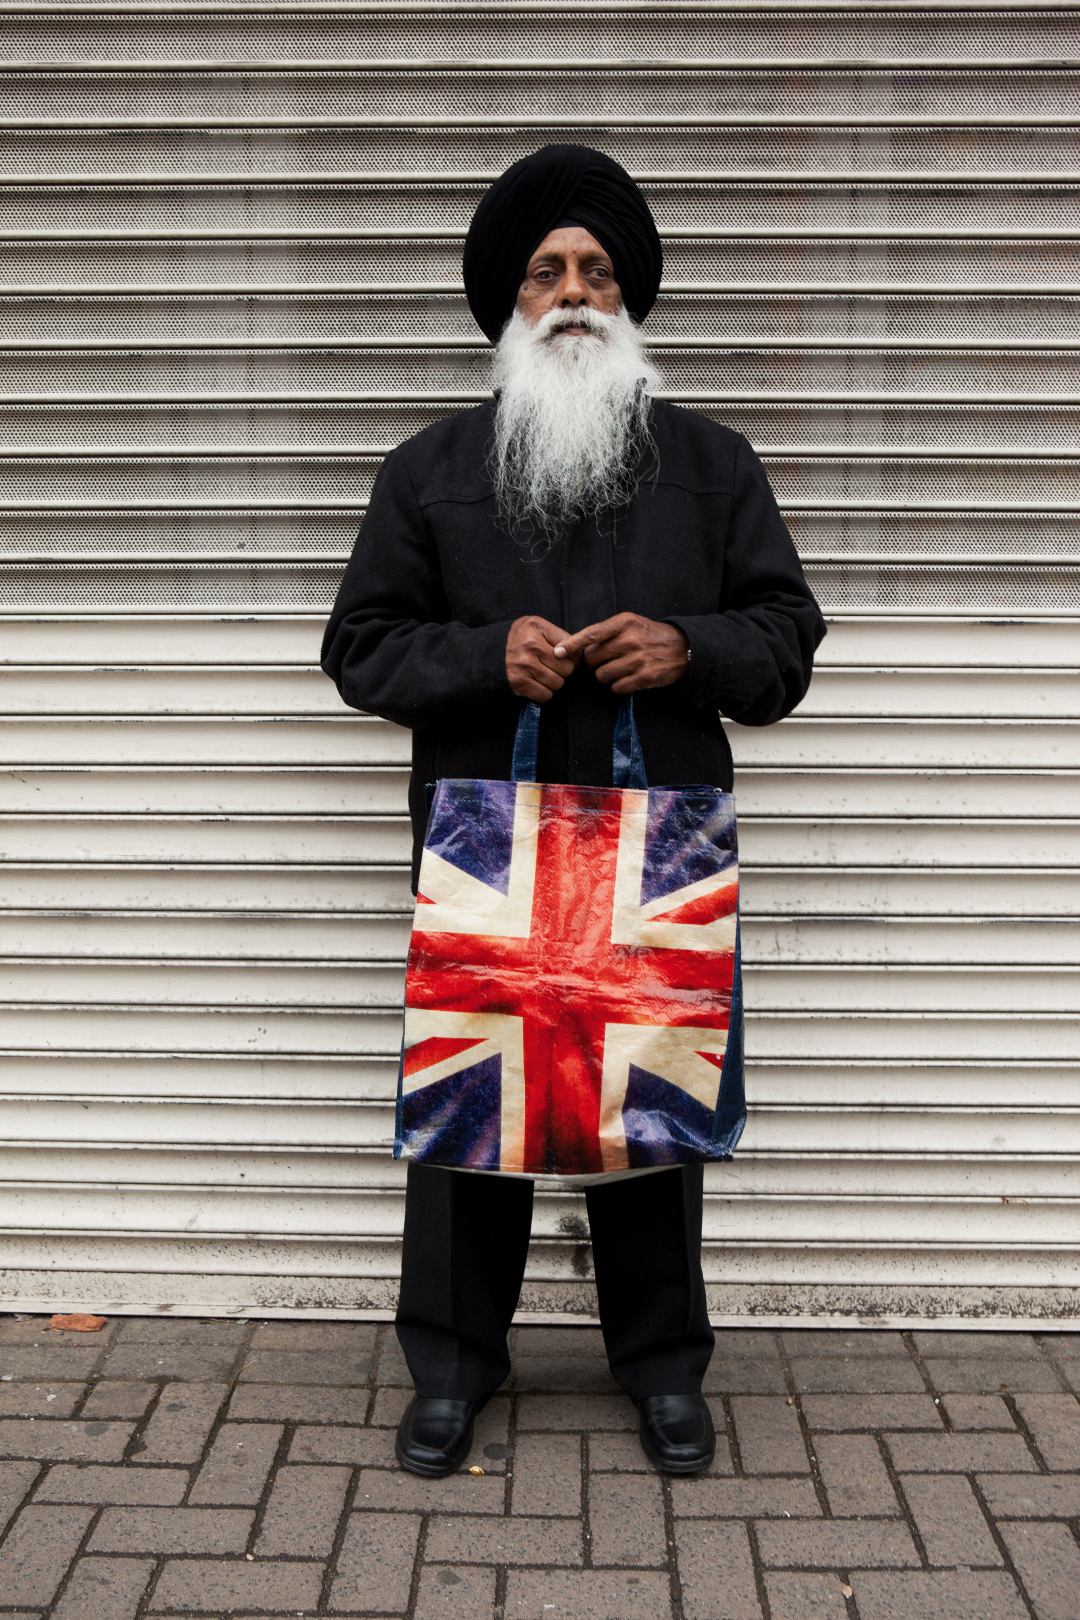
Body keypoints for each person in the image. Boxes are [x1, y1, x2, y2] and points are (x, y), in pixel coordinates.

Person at [322, 144, 826, 1478]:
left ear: (630, 297)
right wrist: (488, 656)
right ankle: (450, 1366)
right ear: (509, 301)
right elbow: (361, 648)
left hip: (658, 846)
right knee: (471, 1116)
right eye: (546, 271)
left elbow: (786, 640)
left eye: (597, 269)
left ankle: (663, 1369)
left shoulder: (714, 465)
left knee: (650, 1112)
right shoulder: (426, 468)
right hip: (488, 847)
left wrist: (689, 648)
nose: (574, 291)